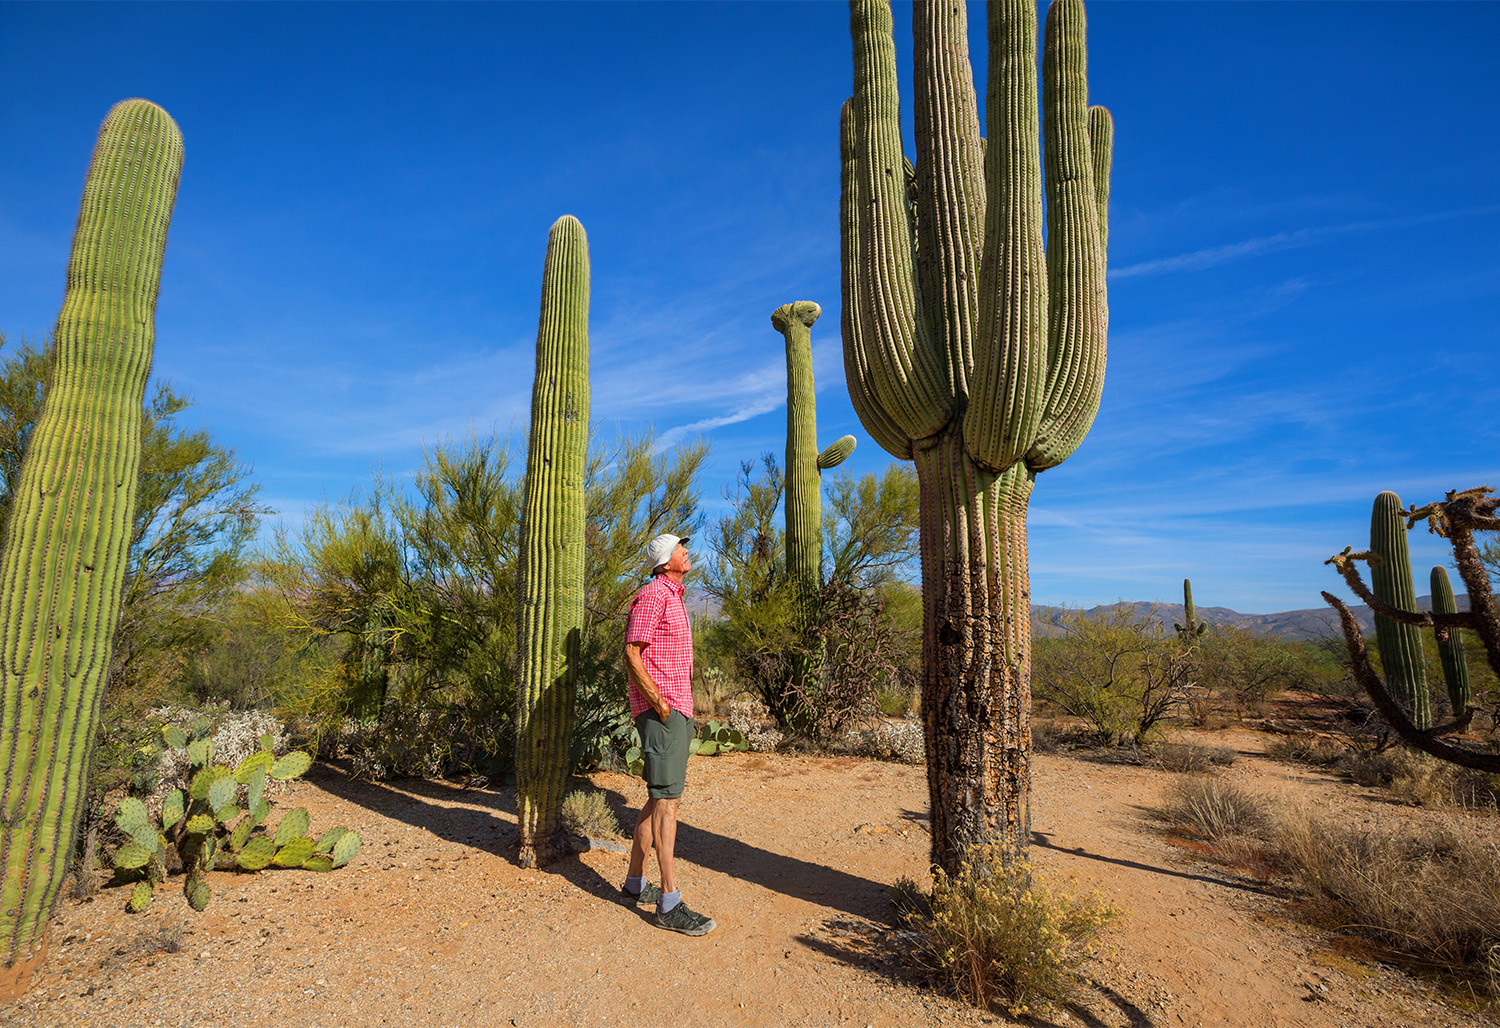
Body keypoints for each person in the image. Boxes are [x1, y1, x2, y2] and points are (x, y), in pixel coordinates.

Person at [619, 532, 716, 936]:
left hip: (674, 710)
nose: (687, 551)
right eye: (681, 547)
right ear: (665, 559)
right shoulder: (654, 594)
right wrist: (660, 704)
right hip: (663, 712)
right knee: (668, 803)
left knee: (658, 798)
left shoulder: (673, 595)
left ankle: (635, 882)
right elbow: (631, 651)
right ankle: (668, 902)